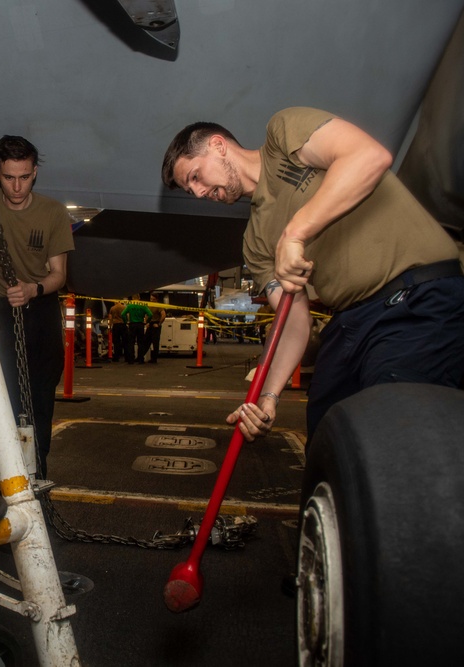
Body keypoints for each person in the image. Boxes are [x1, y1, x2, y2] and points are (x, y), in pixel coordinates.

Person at [161, 107, 464, 445]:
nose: (200, 193)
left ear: (218, 146)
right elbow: (292, 321)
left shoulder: (283, 134)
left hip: (418, 297)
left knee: (394, 430)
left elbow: (369, 155)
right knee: (326, 434)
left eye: (196, 177)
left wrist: (295, 234)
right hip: (352, 320)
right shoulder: (256, 242)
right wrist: (268, 397)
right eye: (191, 191)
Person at [0, 135, 74, 477]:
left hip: (39, 309)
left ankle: (35, 475)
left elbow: (59, 275)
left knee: (38, 403)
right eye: (9, 177)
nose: (16, 186)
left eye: (24, 177)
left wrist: (33, 288)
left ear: (34, 172)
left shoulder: (53, 212)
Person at [120, 295, 152, 364]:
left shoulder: (130, 305)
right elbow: (150, 314)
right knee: (141, 343)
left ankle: (131, 359)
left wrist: (126, 322)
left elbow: (122, 314)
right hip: (140, 325)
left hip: (132, 325)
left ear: (132, 298)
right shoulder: (143, 305)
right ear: (139, 298)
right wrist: (147, 321)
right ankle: (140, 359)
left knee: (131, 342)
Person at [146, 296, 166, 363]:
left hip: (156, 324)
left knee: (155, 343)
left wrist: (159, 323)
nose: (152, 300)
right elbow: (147, 315)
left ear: (157, 299)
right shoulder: (149, 305)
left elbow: (163, 315)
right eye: (151, 299)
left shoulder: (159, 306)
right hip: (150, 324)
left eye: (153, 299)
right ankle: (140, 357)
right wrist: (147, 323)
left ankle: (154, 359)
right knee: (146, 341)